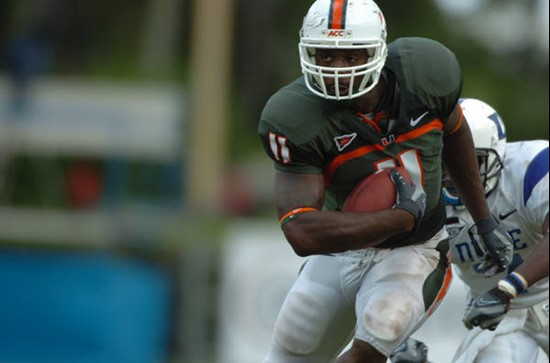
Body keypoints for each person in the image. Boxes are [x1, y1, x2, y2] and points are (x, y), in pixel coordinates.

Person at [257, 0, 514, 361]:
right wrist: (397, 216)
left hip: (415, 247)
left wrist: (483, 219)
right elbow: (300, 230)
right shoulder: (294, 117)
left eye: (351, 55)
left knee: (383, 325)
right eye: (326, 55)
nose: (338, 68)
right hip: (339, 251)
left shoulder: (425, 75)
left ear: (378, 49)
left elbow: (455, 132)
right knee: (295, 340)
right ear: (307, 51)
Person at [391, 98, 549, 363]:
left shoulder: (530, 167)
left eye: (470, 160)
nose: (454, 174)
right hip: (499, 314)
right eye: (446, 162)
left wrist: (509, 287)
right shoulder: (419, 196)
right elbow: (405, 270)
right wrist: (396, 330)